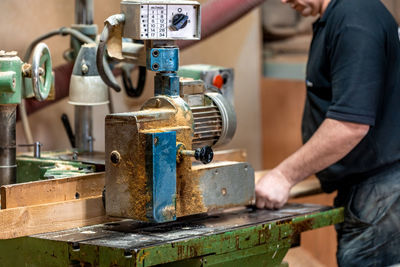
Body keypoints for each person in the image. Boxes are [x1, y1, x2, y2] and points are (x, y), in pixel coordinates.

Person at [256, 0, 400, 265]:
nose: (284, 1)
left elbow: (349, 125)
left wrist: (284, 176)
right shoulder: (335, 18)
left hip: (381, 194)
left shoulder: (353, 18)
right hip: (369, 189)